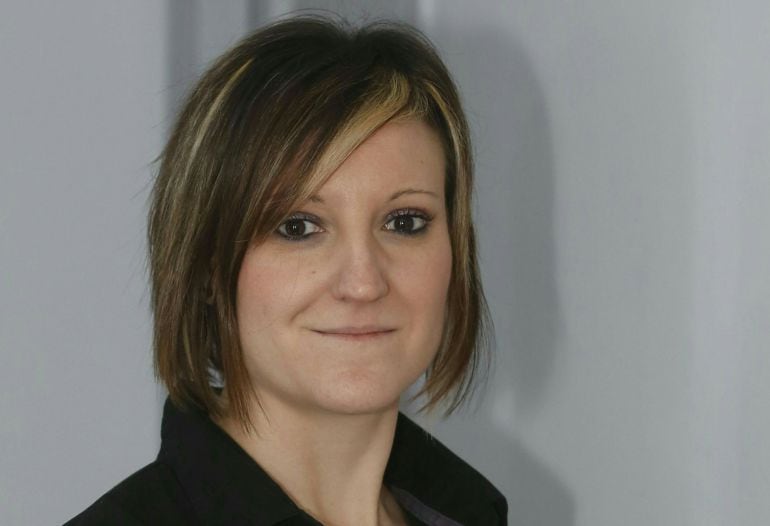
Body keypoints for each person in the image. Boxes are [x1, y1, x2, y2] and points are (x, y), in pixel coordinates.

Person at [66, 14, 507, 526]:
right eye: (298, 227)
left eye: (404, 222)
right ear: (207, 266)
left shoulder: (468, 511)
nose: (363, 283)